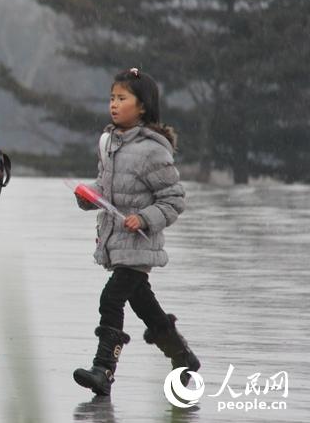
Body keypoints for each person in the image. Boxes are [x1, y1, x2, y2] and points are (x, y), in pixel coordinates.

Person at [73, 68, 200, 395]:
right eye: (112, 98)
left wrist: (144, 218)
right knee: (143, 303)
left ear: (142, 106)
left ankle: (103, 369)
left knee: (111, 298)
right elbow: (106, 186)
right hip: (115, 240)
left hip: (139, 244)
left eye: (122, 98)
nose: (114, 105)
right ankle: (182, 356)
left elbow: (174, 199)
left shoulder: (153, 150)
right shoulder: (108, 142)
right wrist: (89, 196)